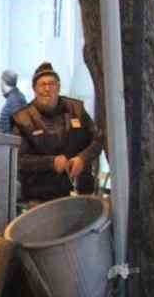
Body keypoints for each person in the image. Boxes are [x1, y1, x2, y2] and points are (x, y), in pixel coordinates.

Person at [11, 61, 103, 204]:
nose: (47, 89)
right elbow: (18, 160)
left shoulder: (76, 109)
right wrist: (51, 162)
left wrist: (83, 158)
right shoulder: (22, 118)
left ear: (58, 87)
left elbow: (98, 140)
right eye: (42, 84)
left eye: (52, 84)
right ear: (34, 89)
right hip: (39, 197)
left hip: (81, 193)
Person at [0, 69, 27, 134]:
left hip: (9, 142)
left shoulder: (14, 100)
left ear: (3, 82)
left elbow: (16, 127)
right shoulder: (19, 96)